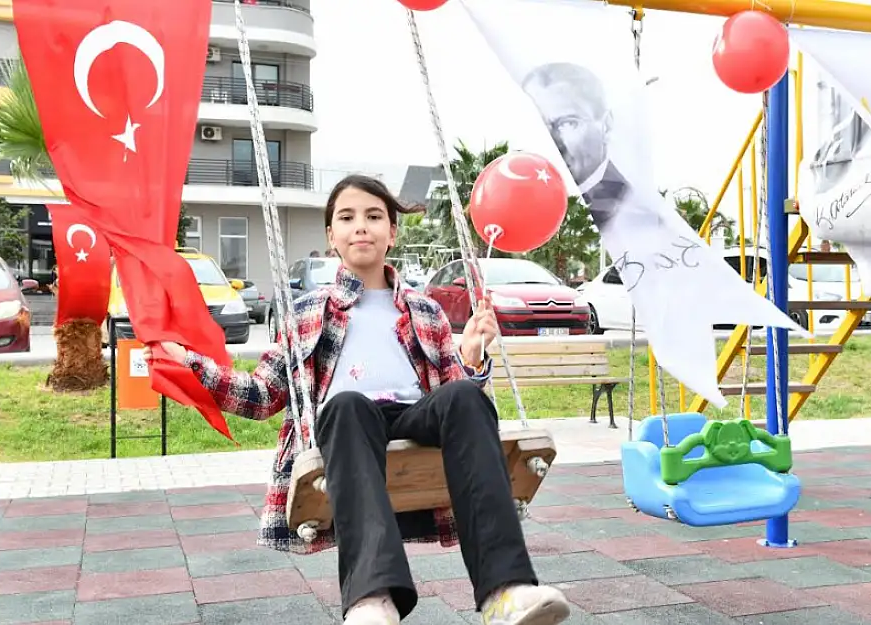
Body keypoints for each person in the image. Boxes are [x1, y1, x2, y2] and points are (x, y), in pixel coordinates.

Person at [143, 175, 570, 625]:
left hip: (413, 418)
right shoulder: (308, 310)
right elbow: (263, 394)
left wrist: (470, 356)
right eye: (346, 218)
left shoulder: (427, 311)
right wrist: (192, 365)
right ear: (331, 236)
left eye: (373, 216)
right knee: (346, 404)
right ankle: (371, 600)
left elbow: (457, 400)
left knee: (464, 396)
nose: (360, 227)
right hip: (348, 425)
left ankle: (505, 591)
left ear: (392, 232)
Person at [521, 62, 632, 232]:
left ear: (606, 124)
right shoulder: (529, 209)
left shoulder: (631, 209)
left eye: (567, 123)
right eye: (540, 126)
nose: (553, 142)